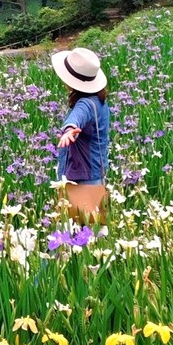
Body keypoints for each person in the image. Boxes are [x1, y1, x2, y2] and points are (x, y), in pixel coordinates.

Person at [51, 47, 110, 221]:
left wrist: (69, 131)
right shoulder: (100, 101)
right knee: (94, 233)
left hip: (82, 178)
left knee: (80, 236)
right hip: (95, 172)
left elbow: (76, 120)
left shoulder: (84, 104)